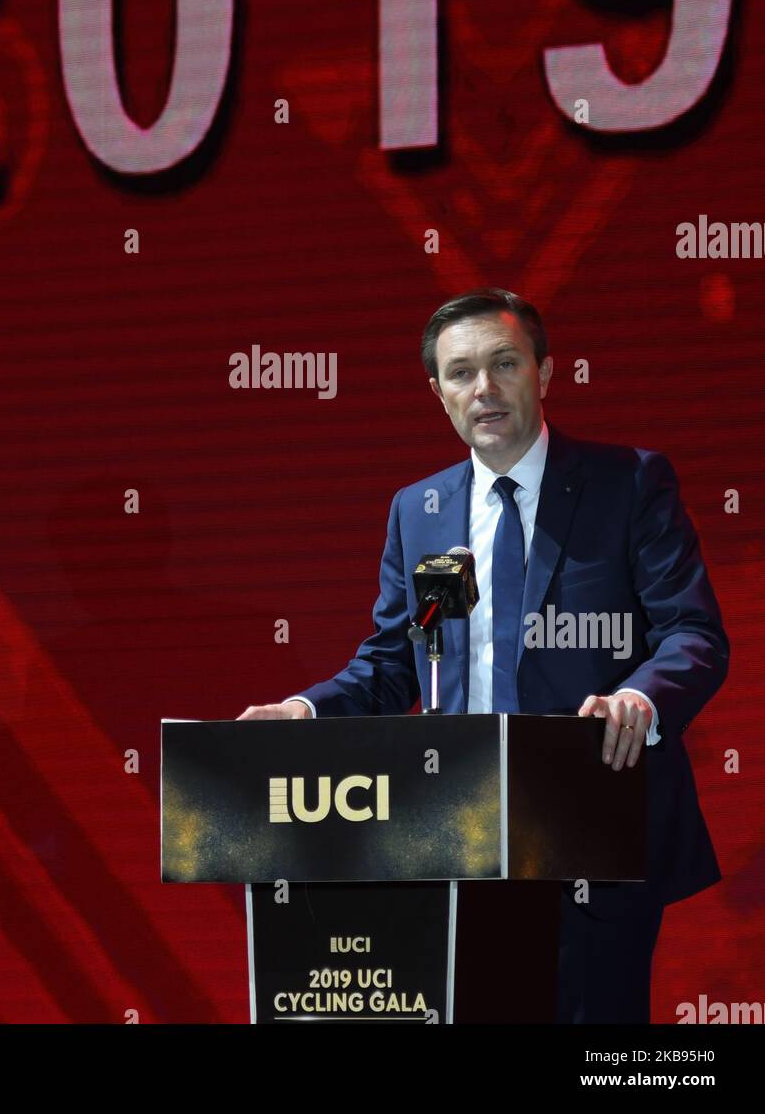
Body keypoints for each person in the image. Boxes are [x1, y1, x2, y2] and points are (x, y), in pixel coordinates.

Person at [237, 288, 729, 1024]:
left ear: (545, 372)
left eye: (504, 364)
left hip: (593, 823)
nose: (485, 389)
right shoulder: (423, 511)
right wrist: (304, 710)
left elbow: (693, 634)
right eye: (462, 373)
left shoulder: (626, 485)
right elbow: (399, 663)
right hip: (453, 833)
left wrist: (641, 700)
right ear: (438, 394)